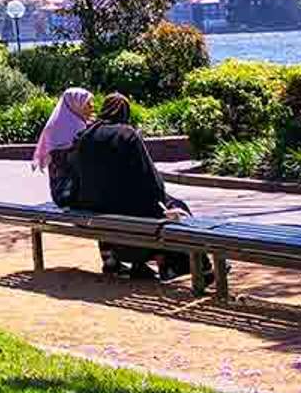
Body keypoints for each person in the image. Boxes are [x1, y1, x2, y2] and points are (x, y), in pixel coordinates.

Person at [68, 92, 190, 279]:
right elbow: (151, 180)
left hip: (92, 209)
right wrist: (162, 200)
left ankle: (118, 261)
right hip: (128, 214)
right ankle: (177, 264)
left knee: (118, 204)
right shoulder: (127, 134)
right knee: (176, 208)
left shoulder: (84, 136)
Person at [31, 86, 96, 209]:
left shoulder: (54, 125)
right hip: (76, 194)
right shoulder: (78, 128)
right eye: (87, 103)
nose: (92, 107)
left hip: (58, 192)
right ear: (76, 104)